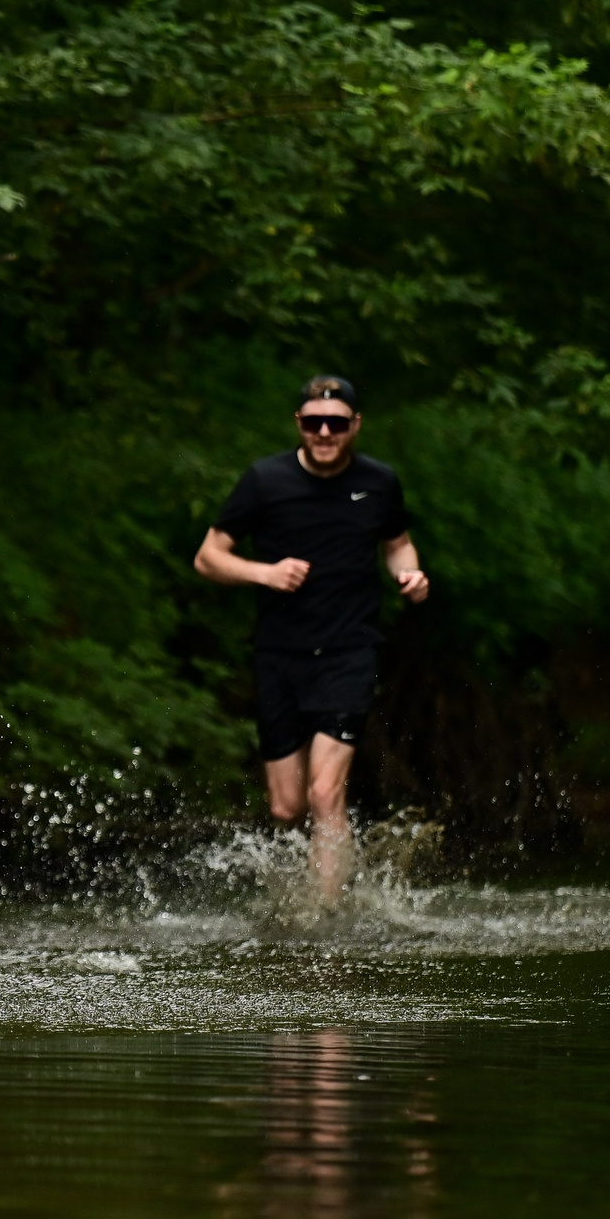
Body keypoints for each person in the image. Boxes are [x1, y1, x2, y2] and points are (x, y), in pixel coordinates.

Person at [194, 375, 429, 900]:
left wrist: (408, 575)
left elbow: (399, 545)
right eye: (314, 422)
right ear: (298, 424)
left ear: (355, 426)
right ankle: (301, 893)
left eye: (337, 423)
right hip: (280, 653)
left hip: (350, 650)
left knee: (325, 794)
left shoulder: (380, 482)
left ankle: (324, 920)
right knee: (287, 806)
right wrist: (265, 573)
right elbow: (207, 557)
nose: (325, 432)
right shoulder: (264, 481)